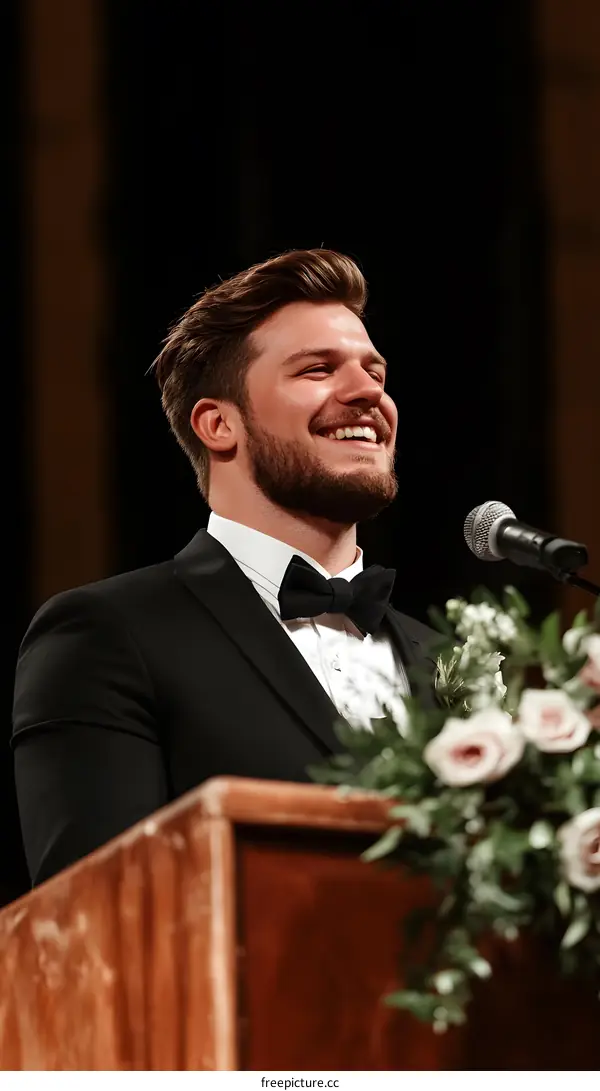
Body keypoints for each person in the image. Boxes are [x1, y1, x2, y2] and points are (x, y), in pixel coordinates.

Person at [12, 249, 437, 887]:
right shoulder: (108, 635)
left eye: (375, 371)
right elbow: (93, 922)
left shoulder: (453, 658)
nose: (367, 392)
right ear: (218, 425)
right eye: (318, 369)